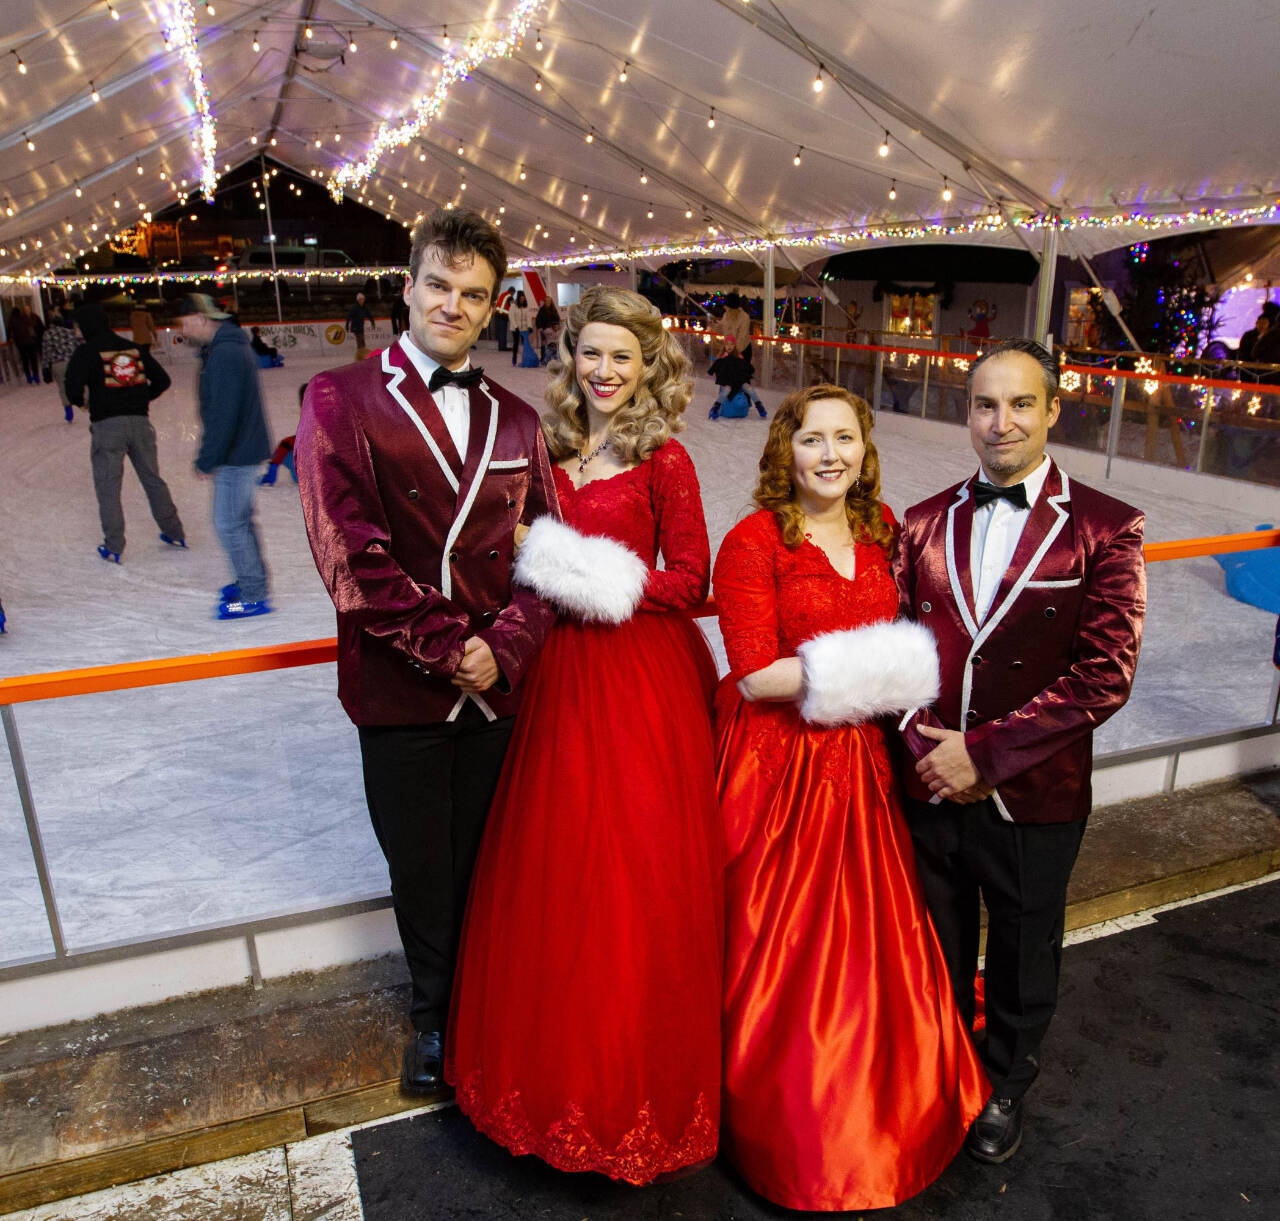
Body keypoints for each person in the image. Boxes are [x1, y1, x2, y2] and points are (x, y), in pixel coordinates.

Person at [448, 286, 723, 1183]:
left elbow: (692, 576)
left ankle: (632, 1082)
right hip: (559, 672)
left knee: (637, 871)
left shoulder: (666, 460)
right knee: (557, 872)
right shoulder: (546, 446)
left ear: (649, 367)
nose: (604, 371)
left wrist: (591, 574)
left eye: (622, 357)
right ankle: (554, 1077)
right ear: (573, 359)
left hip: (641, 678)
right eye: (591, 354)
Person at [295, 208, 559, 1098]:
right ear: (407, 287)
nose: (454, 304)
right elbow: (349, 553)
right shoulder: (338, 398)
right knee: (420, 863)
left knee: (489, 856)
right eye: (439, 285)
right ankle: (435, 1017)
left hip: (496, 692)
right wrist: (455, 650)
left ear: (494, 307)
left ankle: (493, 1008)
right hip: (405, 687)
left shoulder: (519, 418)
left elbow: (548, 553)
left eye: (474, 294)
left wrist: (509, 647)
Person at [712, 384, 987, 1211]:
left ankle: (879, 1107)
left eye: (845, 438)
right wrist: (888, 668)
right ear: (784, 452)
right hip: (777, 771)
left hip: (861, 766)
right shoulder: (752, 541)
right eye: (811, 439)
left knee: (873, 945)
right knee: (778, 948)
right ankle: (784, 1128)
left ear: (865, 450)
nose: (829, 454)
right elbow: (759, 673)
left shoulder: (885, 530)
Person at [895, 338, 1146, 1164]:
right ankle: (941, 1065)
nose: (1000, 422)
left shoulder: (1106, 527)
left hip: (1031, 793)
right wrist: (928, 749)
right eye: (984, 404)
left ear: (1052, 411)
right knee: (935, 939)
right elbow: (896, 654)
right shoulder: (923, 520)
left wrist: (986, 755)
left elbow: (1103, 675)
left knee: (1021, 951)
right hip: (933, 783)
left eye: (1019, 404)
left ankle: (1006, 1077)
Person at [174, 293, 273, 619]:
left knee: (229, 523)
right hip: (240, 449)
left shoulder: (226, 353)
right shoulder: (225, 348)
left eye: (186, 323)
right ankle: (252, 581)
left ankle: (253, 593)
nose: (183, 330)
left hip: (236, 454)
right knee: (238, 521)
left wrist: (207, 458)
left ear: (203, 319)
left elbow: (223, 413)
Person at [65, 303, 186, 563]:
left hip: (108, 427)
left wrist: (84, 403)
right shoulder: (132, 348)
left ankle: (114, 545)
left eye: (78, 325)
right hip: (140, 423)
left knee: (108, 486)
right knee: (153, 479)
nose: (76, 330)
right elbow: (162, 380)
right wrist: (141, 399)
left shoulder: (86, 352)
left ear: (87, 324)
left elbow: (72, 388)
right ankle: (174, 531)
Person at [41, 304, 79, 423]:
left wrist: (45, 368)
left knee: (62, 387)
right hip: (71, 361)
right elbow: (76, 346)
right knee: (76, 382)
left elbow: (46, 352)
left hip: (57, 364)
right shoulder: (69, 332)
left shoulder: (47, 334)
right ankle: (84, 400)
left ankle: (68, 409)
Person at [10, 304, 42, 385]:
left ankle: (28, 377)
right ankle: (36, 375)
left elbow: (11, 333)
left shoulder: (12, 322)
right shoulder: (24, 319)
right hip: (30, 342)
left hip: (21, 344)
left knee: (25, 360)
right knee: (33, 359)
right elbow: (32, 328)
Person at [346, 292, 376, 356]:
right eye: (361, 299)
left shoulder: (364, 307)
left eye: (363, 299)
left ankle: (362, 354)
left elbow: (369, 315)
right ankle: (361, 354)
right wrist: (347, 325)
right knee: (360, 340)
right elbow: (349, 316)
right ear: (358, 300)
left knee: (362, 340)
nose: (363, 300)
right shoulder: (354, 307)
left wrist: (372, 322)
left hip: (361, 326)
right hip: (355, 326)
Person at [508, 289, 532, 366]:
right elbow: (511, 316)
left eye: (523, 298)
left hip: (524, 328)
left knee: (525, 344)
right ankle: (514, 358)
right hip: (515, 328)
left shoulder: (525, 306)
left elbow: (528, 317)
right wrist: (516, 326)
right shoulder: (513, 305)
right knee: (516, 343)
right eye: (521, 298)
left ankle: (525, 359)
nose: (522, 299)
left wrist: (529, 326)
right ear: (518, 298)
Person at [533, 296, 560, 364]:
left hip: (554, 330)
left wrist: (556, 326)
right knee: (546, 344)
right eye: (547, 301)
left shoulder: (554, 310)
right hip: (545, 330)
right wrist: (540, 328)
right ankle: (544, 359)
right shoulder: (542, 310)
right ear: (545, 302)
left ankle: (553, 358)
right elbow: (538, 320)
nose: (548, 302)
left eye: (549, 301)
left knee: (553, 344)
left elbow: (557, 319)